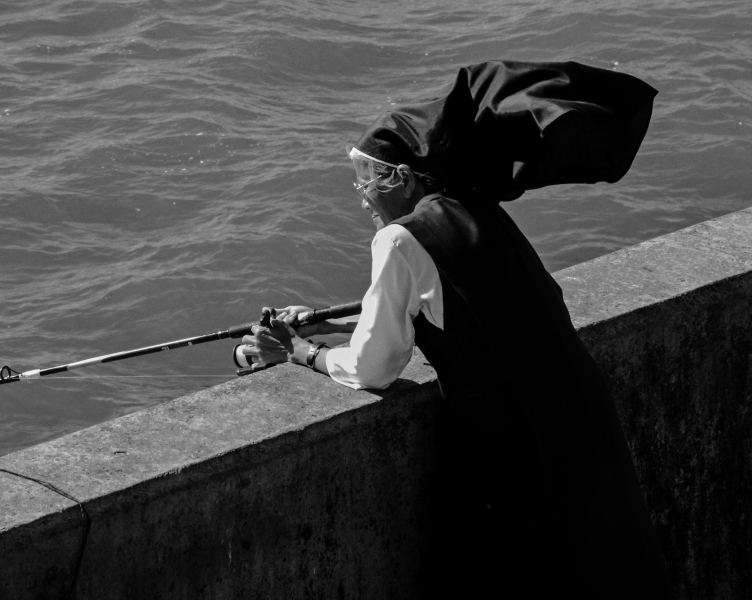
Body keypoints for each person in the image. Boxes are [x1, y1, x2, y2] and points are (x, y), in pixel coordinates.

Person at [241, 60, 675, 598]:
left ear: (398, 178)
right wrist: (333, 317)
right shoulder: (474, 206)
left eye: (365, 180)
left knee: (518, 569)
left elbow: (373, 367)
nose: (362, 198)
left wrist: (301, 352)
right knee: (599, 558)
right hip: (575, 413)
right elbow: (458, 306)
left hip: (509, 436)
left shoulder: (399, 239)